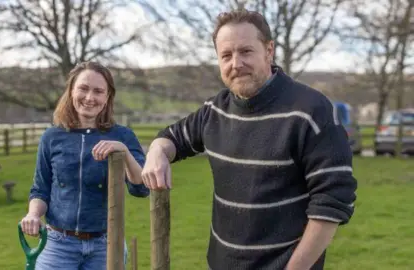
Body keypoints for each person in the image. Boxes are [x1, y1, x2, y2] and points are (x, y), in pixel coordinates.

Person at [141, 9, 357, 270]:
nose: (236, 63)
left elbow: (334, 201)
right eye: (226, 55)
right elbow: (172, 138)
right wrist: (156, 152)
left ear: (269, 50)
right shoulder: (215, 110)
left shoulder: (311, 111)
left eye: (245, 51)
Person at [20, 61, 150, 270]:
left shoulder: (123, 136)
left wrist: (123, 152)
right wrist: (33, 214)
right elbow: (40, 189)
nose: (90, 98)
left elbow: (142, 187)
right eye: (83, 88)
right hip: (58, 244)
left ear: (107, 98)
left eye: (98, 91)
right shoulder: (52, 137)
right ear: (71, 90)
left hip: (105, 245)